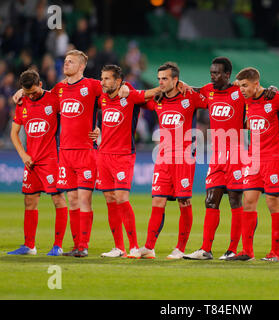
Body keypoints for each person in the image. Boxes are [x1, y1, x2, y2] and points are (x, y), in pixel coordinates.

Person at [12, 50, 130, 258]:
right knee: (73, 200)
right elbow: (41, 96)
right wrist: (22, 92)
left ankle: (84, 245)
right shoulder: (58, 89)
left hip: (85, 151)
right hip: (64, 154)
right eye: (65, 61)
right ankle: (76, 245)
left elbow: (113, 96)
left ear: (82, 66)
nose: (66, 64)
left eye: (70, 62)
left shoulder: (92, 85)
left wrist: (101, 128)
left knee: (85, 199)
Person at [138, 62, 208, 259]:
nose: (160, 82)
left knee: (184, 201)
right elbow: (138, 98)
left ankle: (180, 248)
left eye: (165, 79)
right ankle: (149, 247)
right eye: (159, 78)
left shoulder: (189, 97)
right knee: (157, 200)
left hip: (184, 158)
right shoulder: (158, 99)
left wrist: (190, 87)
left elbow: (211, 99)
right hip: (163, 158)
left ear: (175, 80)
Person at [183, 57, 247, 260]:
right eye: (211, 72)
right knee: (211, 200)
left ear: (228, 74)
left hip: (236, 153)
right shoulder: (208, 90)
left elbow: (259, 93)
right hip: (216, 155)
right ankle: (205, 250)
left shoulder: (239, 92)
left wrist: (270, 87)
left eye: (217, 73)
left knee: (236, 200)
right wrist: (182, 84)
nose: (213, 76)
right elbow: (192, 90)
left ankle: (233, 249)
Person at [97, 65, 160, 258]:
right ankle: (119, 248)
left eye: (107, 79)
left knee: (122, 198)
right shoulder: (103, 98)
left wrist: (130, 87)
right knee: (110, 200)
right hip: (103, 155)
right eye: (102, 78)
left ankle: (134, 247)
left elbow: (150, 93)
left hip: (123, 156)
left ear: (118, 81)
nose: (103, 82)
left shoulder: (129, 95)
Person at [227, 67, 279, 262]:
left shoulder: (274, 99)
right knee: (248, 202)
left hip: (274, 158)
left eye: (245, 85)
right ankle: (247, 251)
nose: (241, 89)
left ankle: (275, 253)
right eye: (240, 85)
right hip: (253, 159)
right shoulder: (245, 99)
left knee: (272, 203)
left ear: (256, 84)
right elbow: (231, 85)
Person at [8, 69, 68, 256]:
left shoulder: (53, 99)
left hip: (51, 159)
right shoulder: (22, 102)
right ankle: (29, 246)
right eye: (27, 93)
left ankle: (58, 246)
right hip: (31, 160)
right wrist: (23, 155)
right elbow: (14, 133)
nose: (31, 95)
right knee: (29, 201)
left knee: (58, 199)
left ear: (41, 84)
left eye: (34, 91)